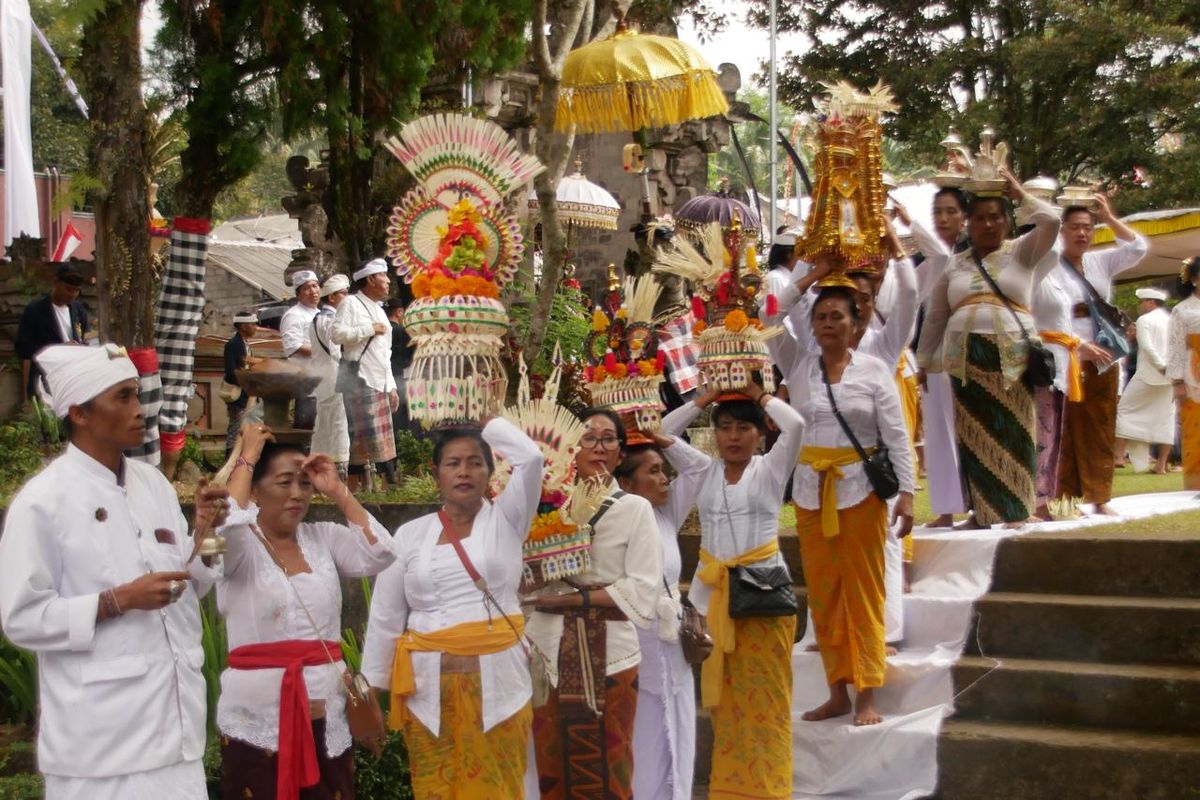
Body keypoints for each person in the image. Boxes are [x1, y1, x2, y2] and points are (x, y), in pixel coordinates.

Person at [0, 343, 228, 800]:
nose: (139, 409)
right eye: (122, 397)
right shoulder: (44, 501)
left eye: (136, 394)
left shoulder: (153, 484)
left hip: (175, 731)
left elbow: (182, 588)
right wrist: (117, 600)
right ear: (80, 413)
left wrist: (203, 535)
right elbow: (20, 618)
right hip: (101, 748)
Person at [361, 418, 542, 797]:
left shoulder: (508, 519)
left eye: (475, 462)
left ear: (491, 472)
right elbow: (385, 618)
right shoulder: (411, 535)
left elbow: (531, 458)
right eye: (453, 463)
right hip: (427, 694)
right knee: (434, 789)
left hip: (500, 689)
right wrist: (370, 694)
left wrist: (487, 421)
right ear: (436, 473)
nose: (464, 471)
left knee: (497, 788)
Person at [214, 423, 396, 800]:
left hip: (326, 709)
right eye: (284, 482)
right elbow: (224, 530)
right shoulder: (238, 547)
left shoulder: (323, 538)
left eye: (305, 484)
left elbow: (382, 553)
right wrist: (245, 458)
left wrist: (335, 488)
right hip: (256, 717)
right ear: (256, 490)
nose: (298, 494)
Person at [666, 382, 802, 798]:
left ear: (761, 433)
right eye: (724, 428)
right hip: (713, 604)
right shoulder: (704, 470)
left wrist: (757, 393)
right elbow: (665, 431)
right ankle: (730, 790)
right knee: (726, 703)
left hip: (764, 600)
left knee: (768, 699)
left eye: (744, 428)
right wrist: (705, 399)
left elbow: (795, 425)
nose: (733, 437)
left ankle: (770, 788)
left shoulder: (771, 468)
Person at [794, 285, 916, 726]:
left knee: (864, 592)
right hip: (810, 492)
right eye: (821, 317)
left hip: (861, 491)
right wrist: (812, 275)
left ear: (856, 324)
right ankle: (836, 692)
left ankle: (866, 694)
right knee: (824, 595)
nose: (828, 324)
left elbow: (896, 434)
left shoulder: (874, 370)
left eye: (837, 317)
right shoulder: (798, 367)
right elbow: (770, 318)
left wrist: (908, 493)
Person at [527, 409, 663, 800]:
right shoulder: (545, 507)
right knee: (551, 764)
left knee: (611, 761)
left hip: (612, 654)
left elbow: (642, 590)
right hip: (546, 651)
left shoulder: (635, 509)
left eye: (608, 439)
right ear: (572, 446)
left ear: (621, 452)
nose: (599, 447)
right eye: (589, 437)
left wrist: (572, 599)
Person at [917, 169, 1061, 527]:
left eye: (995, 217)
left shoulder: (1023, 253)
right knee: (974, 435)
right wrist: (924, 361)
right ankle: (982, 512)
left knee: (1014, 430)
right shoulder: (954, 265)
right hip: (965, 358)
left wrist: (1018, 192)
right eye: (979, 218)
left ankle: (1017, 510)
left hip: (1012, 356)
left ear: (1007, 221)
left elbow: (1053, 221)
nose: (988, 225)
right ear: (969, 223)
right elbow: (936, 317)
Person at [614, 428, 711, 800]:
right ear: (625, 481)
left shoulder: (666, 513)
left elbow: (700, 467)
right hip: (634, 646)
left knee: (682, 730)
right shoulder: (611, 519)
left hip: (674, 643)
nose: (664, 478)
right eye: (652, 471)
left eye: (663, 469)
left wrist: (662, 436)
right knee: (644, 739)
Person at [1055, 195, 1149, 514]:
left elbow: (1138, 247)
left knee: (1101, 427)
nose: (1082, 234)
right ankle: (1065, 498)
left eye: (1088, 228)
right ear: (1062, 230)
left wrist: (1109, 217)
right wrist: (1072, 345)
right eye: (1075, 228)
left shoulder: (1100, 260)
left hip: (1104, 357)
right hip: (1068, 356)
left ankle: (1099, 498)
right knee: (1065, 429)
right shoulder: (1049, 265)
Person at [918, 188, 970, 527]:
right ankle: (947, 509)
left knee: (971, 430)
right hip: (934, 354)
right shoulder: (923, 263)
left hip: (972, 352)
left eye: (951, 211)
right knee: (938, 431)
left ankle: (982, 504)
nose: (943, 218)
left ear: (964, 215)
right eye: (938, 211)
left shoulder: (976, 256)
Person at [330, 259, 398, 491]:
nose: (388, 281)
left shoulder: (379, 309)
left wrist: (392, 386)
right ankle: (370, 486)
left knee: (382, 436)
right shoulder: (350, 303)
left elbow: (384, 352)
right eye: (384, 276)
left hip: (379, 380)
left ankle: (383, 487)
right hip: (360, 379)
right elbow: (337, 334)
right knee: (363, 438)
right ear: (370, 279)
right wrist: (368, 329)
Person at [1115, 288, 1175, 473]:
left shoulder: (1145, 320)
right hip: (1170, 376)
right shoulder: (1171, 320)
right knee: (1166, 418)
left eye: (1142, 302)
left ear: (1150, 302)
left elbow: (1147, 346)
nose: (1140, 306)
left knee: (1123, 410)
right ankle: (1161, 465)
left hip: (1150, 374)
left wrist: (1160, 365)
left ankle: (1118, 457)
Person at [15, 265, 89, 401]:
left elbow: (85, 337)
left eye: (76, 290)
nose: (72, 294)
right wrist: (58, 349)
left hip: (73, 379)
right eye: (68, 289)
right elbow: (22, 349)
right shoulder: (35, 310)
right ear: (55, 283)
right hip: (45, 380)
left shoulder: (78, 310)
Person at [309, 274, 351, 474]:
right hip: (335, 376)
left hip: (321, 377)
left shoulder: (315, 319)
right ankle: (340, 468)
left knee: (323, 424)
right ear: (332, 297)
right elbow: (337, 352)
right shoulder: (332, 320)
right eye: (344, 293)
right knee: (339, 423)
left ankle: (316, 466)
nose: (347, 297)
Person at [1169, 257, 1200, 489]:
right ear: (1195, 279)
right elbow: (1176, 346)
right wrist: (1177, 381)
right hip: (1193, 370)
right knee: (1194, 425)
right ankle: (1196, 481)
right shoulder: (1182, 310)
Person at [279, 270, 322, 430]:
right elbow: (293, 346)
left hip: (324, 381)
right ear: (298, 294)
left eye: (315, 286)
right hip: (306, 385)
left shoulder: (320, 313)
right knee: (307, 430)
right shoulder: (294, 315)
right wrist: (322, 351)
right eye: (307, 288)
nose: (313, 291)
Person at [223, 310, 260, 456]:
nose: (255, 327)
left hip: (246, 394)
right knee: (235, 430)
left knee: (245, 429)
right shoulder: (233, 344)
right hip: (238, 395)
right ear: (243, 326)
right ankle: (229, 463)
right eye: (253, 324)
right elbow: (231, 372)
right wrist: (248, 376)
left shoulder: (245, 343)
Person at [385, 295, 415, 434]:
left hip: (385, 378)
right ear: (399, 312)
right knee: (401, 418)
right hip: (400, 379)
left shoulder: (383, 330)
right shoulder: (402, 332)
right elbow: (410, 358)